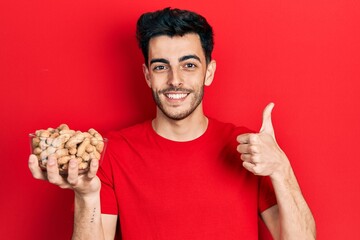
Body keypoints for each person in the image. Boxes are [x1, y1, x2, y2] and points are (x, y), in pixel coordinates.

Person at [29, 7, 316, 240]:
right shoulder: (111, 152)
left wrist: (281, 169)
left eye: (189, 65)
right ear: (147, 75)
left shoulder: (247, 148)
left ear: (209, 72)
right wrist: (86, 197)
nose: (174, 79)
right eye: (161, 66)